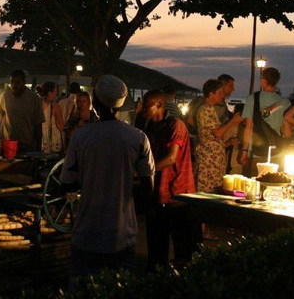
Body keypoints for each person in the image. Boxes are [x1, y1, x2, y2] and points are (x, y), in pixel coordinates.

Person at [60, 75, 155, 287]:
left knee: (81, 289)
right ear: (120, 104)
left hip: (87, 231)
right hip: (122, 233)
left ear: (95, 99)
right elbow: (148, 188)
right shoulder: (138, 138)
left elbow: (67, 183)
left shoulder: (81, 137)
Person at [141, 89, 197, 272]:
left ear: (159, 104)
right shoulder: (149, 126)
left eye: (146, 104)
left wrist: (143, 171)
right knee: (157, 245)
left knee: (182, 247)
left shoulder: (176, 125)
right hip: (158, 192)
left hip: (177, 193)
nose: (142, 108)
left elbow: (172, 158)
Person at [239, 68, 292, 175]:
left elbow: (249, 128)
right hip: (278, 153)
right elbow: (287, 133)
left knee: (255, 185)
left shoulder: (252, 99)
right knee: (276, 186)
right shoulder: (285, 102)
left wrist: (244, 151)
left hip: (257, 152)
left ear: (264, 80)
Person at [194, 79, 243, 193]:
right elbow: (217, 133)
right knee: (209, 190)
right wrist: (233, 121)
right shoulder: (206, 109)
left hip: (213, 156)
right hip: (210, 158)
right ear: (211, 94)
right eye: (220, 93)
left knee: (212, 187)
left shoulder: (208, 109)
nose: (222, 96)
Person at [0, 70, 44, 152]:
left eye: (18, 82)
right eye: (12, 82)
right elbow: (2, 115)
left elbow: (38, 124)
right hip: (9, 144)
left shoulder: (34, 99)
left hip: (26, 144)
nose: (14, 85)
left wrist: (38, 149)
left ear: (24, 82)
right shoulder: (5, 96)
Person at [39, 82, 65, 153]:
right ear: (49, 93)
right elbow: (61, 125)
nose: (56, 93)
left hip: (41, 140)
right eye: (55, 91)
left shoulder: (38, 104)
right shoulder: (55, 106)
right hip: (53, 141)